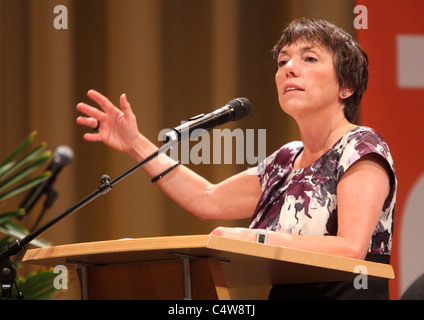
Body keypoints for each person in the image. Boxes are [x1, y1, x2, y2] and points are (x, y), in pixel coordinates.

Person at [76, 18, 396, 299]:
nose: (289, 69)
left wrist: (255, 237)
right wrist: (135, 144)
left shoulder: (361, 145)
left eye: (309, 58)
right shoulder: (285, 160)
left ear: (347, 85)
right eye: (282, 62)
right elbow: (207, 200)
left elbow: (350, 248)